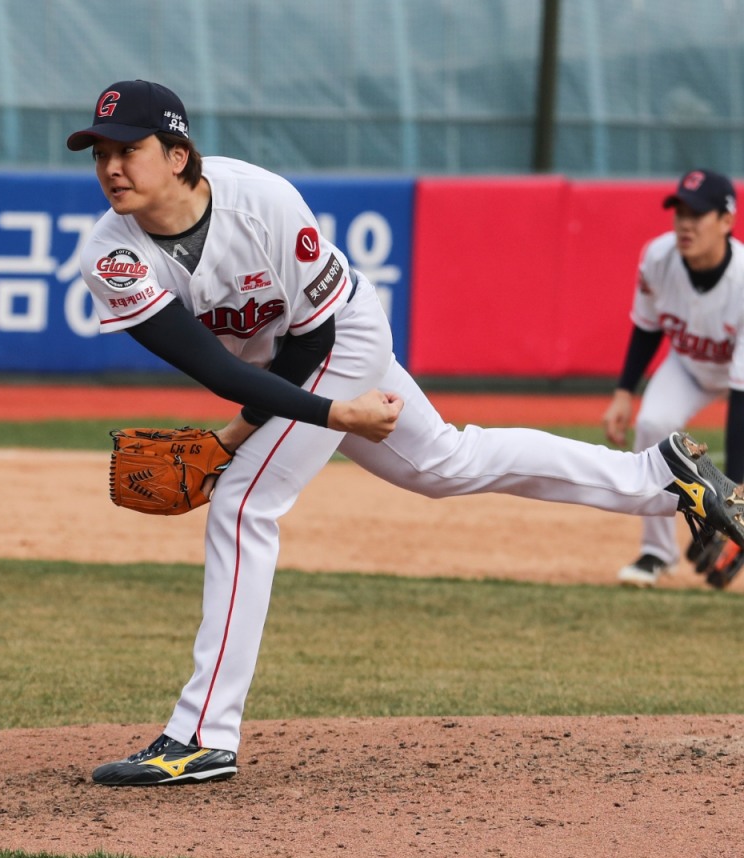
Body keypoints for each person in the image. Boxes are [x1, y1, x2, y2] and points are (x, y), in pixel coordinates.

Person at [68, 81, 744, 786]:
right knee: (445, 463)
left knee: (242, 503)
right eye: (100, 153)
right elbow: (217, 369)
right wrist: (247, 430)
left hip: (342, 337)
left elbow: (312, 340)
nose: (112, 166)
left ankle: (203, 733)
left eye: (130, 149)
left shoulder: (261, 201)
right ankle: (659, 479)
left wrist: (324, 420)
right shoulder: (113, 256)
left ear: (178, 155)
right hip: (273, 369)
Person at [603, 169, 744, 587]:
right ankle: (656, 552)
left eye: (697, 213)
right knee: (653, 425)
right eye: (679, 211)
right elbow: (647, 327)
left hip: (740, 377)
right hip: (689, 366)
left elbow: (741, 396)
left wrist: (734, 496)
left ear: (725, 221)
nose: (685, 223)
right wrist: (624, 392)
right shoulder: (658, 257)